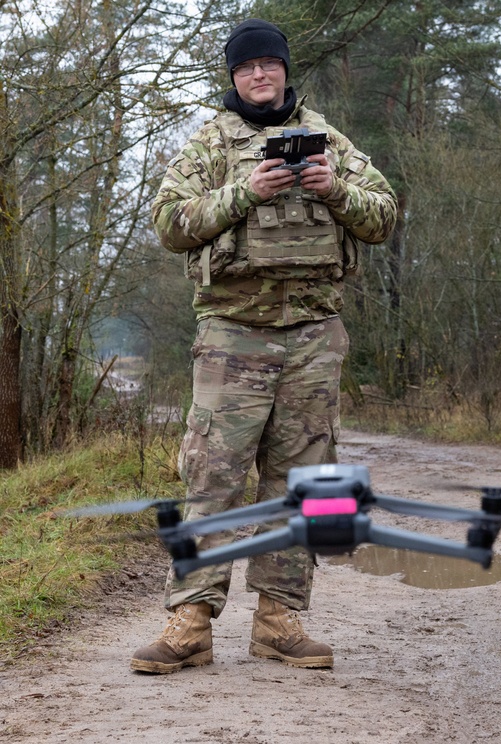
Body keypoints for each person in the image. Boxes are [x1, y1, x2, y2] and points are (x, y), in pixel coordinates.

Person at [131, 19, 397, 674]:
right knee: (212, 474)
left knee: (306, 479)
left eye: (269, 64)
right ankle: (191, 620)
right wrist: (243, 193)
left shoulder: (329, 141)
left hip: (313, 333)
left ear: (284, 70)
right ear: (233, 76)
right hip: (233, 331)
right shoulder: (210, 143)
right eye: (247, 66)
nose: (259, 75)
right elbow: (169, 223)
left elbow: (384, 215)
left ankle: (280, 619)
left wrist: (335, 189)